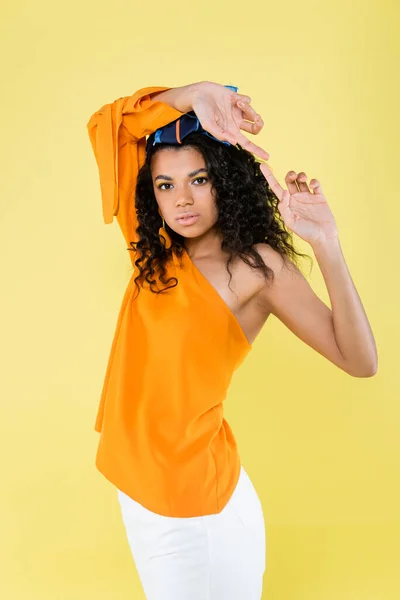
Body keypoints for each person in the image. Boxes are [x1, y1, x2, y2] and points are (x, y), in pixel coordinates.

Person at [87, 81, 377, 599]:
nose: (183, 199)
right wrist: (194, 92)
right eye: (165, 185)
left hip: (200, 511)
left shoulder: (256, 267)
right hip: (141, 492)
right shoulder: (152, 250)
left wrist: (327, 246)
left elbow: (360, 361)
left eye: (198, 179)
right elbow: (114, 127)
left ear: (225, 180)